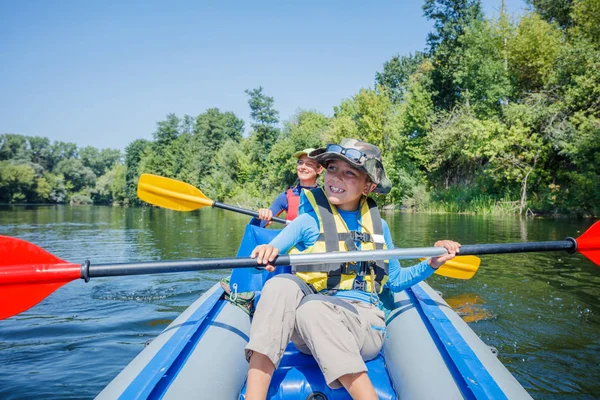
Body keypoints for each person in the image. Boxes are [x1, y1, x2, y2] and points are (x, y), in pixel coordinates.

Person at [244, 138, 461, 400]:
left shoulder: (379, 228)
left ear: (368, 186)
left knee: (313, 308)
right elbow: (275, 247)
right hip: (308, 329)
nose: (336, 178)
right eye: (332, 169)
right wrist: (267, 252)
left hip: (362, 325)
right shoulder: (307, 221)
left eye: (349, 173)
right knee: (280, 285)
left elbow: (395, 280)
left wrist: (432, 262)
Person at [250, 148, 323, 227]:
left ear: (319, 169)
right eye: (300, 163)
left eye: (309, 164)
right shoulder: (285, 197)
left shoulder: (325, 196)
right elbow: (255, 228)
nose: (303, 167)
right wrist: (258, 217)